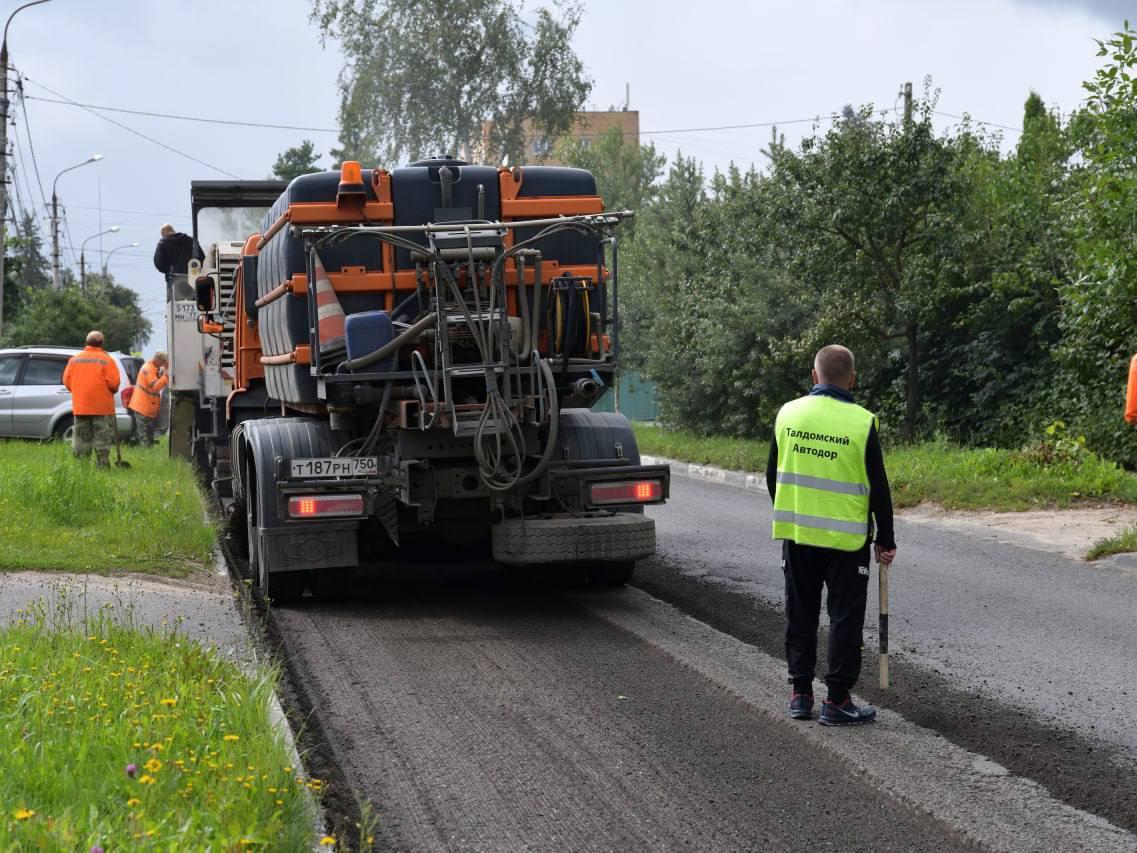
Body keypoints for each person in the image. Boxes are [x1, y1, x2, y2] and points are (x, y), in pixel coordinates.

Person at [766, 344, 897, 726]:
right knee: (844, 619)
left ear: (814, 376)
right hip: (847, 540)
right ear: (852, 379)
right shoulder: (862, 421)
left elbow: (773, 476)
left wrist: (792, 510)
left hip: (798, 535)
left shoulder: (787, 413)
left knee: (801, 612)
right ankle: (837, 700)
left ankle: (800, 694)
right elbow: (879, 486)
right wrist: (885, 539)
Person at [62, 331, 121, 469]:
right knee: (102, 439)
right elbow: (114, 384)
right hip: (102, 408)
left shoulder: (74, 360)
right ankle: (102, 467)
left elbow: (67, 381)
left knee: (81, 439)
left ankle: (82, 468)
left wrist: (80, 391)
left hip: (81, 407)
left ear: (86, 342)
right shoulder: (107, 360)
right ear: (101, 343)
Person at [127, 352, 170, 446]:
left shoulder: (154, 368)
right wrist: (166, 376)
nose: (163, 365)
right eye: (163, 362)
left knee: (149, 435)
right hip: (141, 407)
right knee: (144, 436)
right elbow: (155, 386)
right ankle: (144, 452)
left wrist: (165, 370)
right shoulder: (147, 369)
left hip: (146, 407)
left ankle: (147, 450)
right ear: (158, 360)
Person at [153, 223, 203, 287]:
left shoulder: (162, 244)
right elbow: (201, 259)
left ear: (163, 234)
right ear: (173, 230)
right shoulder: (191, 241)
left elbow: (159, 264)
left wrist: (168, 270)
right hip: (192, 278)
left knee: (176, 296)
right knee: (194, 296)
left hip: (173, 280)